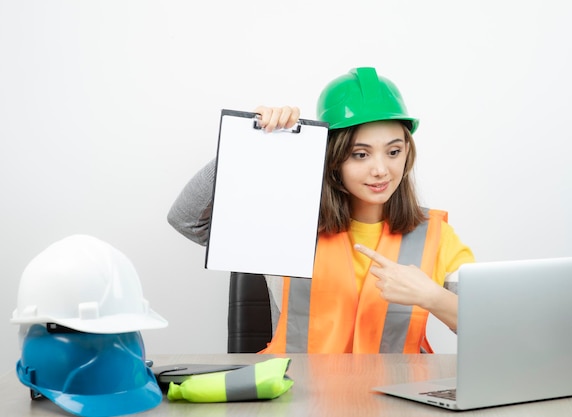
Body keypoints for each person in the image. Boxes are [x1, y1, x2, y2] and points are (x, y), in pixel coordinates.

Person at [167, 67, 474, 354]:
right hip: (300, 401)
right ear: (332, 158)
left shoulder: (435, 236)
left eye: (393, 151)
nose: (381, 169)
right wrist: (252, 142)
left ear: (407, 153)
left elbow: (493, 328)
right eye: (360, 154)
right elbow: (187, 219)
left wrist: (433, 297)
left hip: (398, 402)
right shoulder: (288, 227)